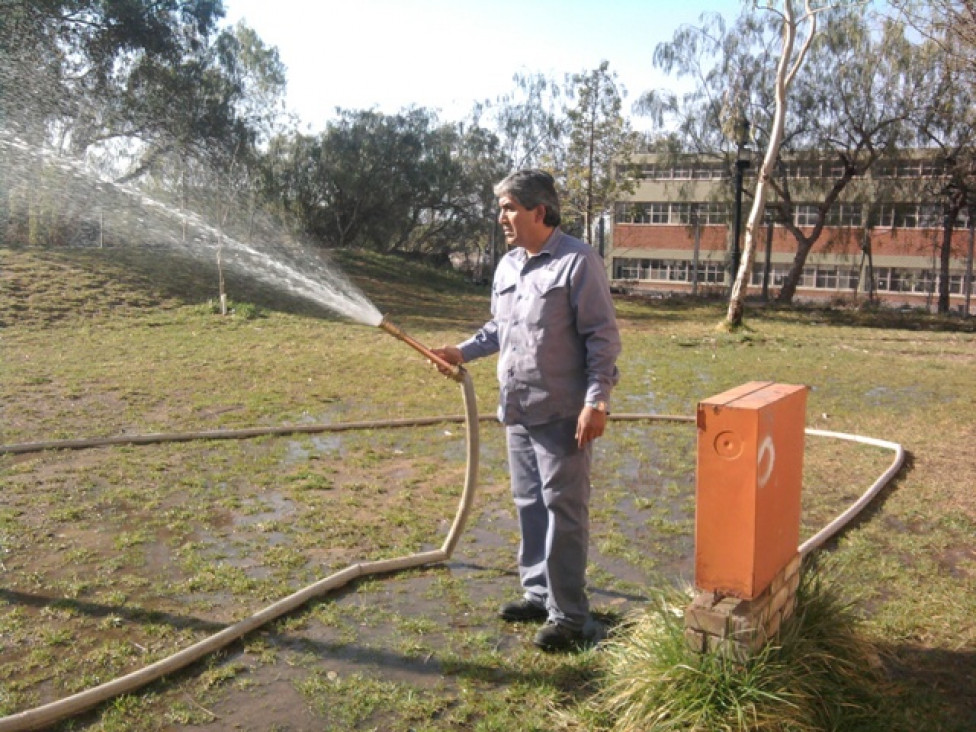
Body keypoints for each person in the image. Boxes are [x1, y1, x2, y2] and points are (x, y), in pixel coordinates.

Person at [433, 169, 621, 652]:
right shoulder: (509, 266)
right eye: (500, 207)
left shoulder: (578, 263)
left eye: (509, 207)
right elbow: (499, 329)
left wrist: (595, 400)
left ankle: (572, 618)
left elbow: (602, 337)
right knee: (529, 506)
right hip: (517, 410)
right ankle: (539, 595)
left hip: (563, 414)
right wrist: (460, 350)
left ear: (540, 212)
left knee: (564, 512)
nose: (502, 218)